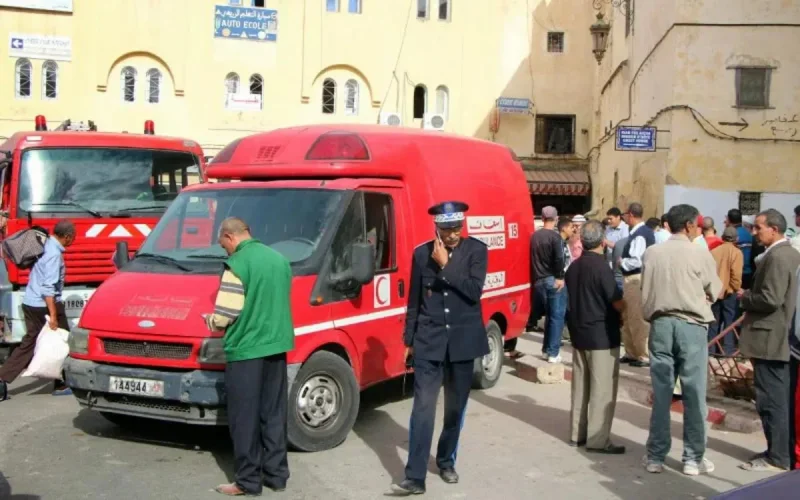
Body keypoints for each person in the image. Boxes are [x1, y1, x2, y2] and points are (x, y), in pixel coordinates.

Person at [391, 201, 488, 496]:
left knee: (454, 410)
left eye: (457, 228)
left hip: (462, 342)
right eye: (447, 229)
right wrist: (409, 340)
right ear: (437, 227)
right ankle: (415, 476)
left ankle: (446, 461)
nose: (454, 234)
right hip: (429, 341)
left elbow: (473, 290)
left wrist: (447, 264)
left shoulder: (477, 250)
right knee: (422, 409)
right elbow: (414, 301)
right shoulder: (421, 254)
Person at [208, 217, 294, 496]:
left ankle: (247, 481)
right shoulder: (279, 260)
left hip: (246, 350)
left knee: (244, 418)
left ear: (229, 237)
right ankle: (277, 475)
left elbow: (226, 314)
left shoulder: (238, 264)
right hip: (276, 347)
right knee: (274, 413)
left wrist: (212, 321)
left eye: (224, 245)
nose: (225, 251)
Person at [640, 204, 722, 476]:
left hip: (661, 325)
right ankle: (692, 457)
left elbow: (646, 289)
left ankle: (655, 456)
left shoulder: (652, 252)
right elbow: (717, 290)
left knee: (662, 394)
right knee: (694, 394)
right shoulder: (699, 253)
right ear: (688, 226)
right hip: (691, 326)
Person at [737, 209, 800, 472]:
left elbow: (771, 298)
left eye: (759, 227)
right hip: (779, 338)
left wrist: (745, 296)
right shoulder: (789, 254)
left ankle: (778, 456)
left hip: (771, 338)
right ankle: (779, 450)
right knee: (779, 399)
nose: (755, 232)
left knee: (771, 400)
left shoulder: (778, 256)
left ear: (774, 229)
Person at [566, 220, 625, 454]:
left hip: (580, 332)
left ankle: (576, 434)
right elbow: (617, 302)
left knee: (580, 387)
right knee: (602, 390)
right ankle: (598, 439)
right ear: (602, 242)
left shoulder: (574, 267)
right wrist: (627, 307)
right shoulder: (601, 268)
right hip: (601, 334)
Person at [0, 220, 76, 401]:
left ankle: (3, 378)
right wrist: (54, 316)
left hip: (31, 301)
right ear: (67, 237)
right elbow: (48, 288)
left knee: (30, 342)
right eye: (73, 237)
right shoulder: (53, 254)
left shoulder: (46, 244)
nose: (73, 240)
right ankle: (61, 383)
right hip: (44, 305)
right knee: (64, 341)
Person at [528, 206, 567, 363]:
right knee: (557, 316)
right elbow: (559, 259)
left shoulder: (534, 237)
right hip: (552, 278)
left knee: (549, 316)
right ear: (556, 219)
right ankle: (553, 352)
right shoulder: (555, 237)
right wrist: (560, 276)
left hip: (538, 280)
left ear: (543, 218)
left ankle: (546, 350)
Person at [619, 202, 655, 367]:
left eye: (626, 214)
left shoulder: (640, 234)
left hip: (635, 278)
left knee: (636, 317)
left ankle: (643, 354)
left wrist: (622, 261)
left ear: (631, 215)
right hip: (632, 279)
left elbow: (637, 259)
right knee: (627, 316)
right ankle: (632, 351)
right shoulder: (640, 232)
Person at [708, 227, 743, 355]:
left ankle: (711, 350)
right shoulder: (737, 252)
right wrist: (735, 288)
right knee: (729, 322)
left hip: (715, 291)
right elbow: (736, 275)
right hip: (729, 292)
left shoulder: (714, 251)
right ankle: (727, 350)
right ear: (736, 239)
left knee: (714, 322)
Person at [726, 209, 754, 289]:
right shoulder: (748, 233)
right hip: (749, 272)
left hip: (736, 274)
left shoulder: (732, 235)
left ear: (728, 219)